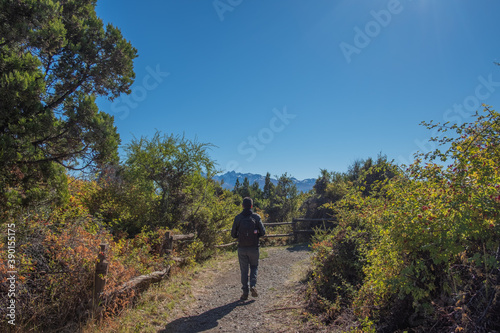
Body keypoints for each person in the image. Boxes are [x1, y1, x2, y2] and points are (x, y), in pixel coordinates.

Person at [231, 197, 266, 300]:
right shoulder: (256, 217)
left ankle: (245, 292)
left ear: (242, 206)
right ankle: (253, 285)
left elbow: (233, 234)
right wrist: (256, 235)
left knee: (244, 270)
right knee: (254, 267)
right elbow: (263, 232)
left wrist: (240, 236)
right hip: (254, 247)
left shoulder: (238, 218)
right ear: (251, 206)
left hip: (242, 248)